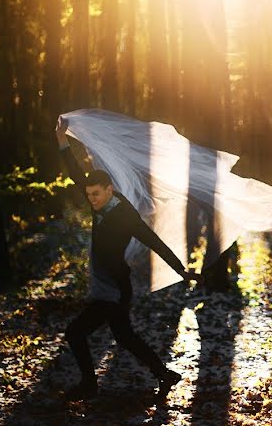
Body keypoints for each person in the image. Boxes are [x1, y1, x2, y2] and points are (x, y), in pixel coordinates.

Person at [55, 116, 201, 402]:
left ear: (109, 190)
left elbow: (154, 241)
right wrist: (62, 142)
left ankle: (89, 385)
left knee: (75, 333)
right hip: (106, 285)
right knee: (124, 337)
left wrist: (182, 271)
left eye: (96, 195)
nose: (92, 200)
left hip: (114, 289)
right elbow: (75, 172)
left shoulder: (125, 216)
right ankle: (165, 374)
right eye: (89, 195)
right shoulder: (99, 203)